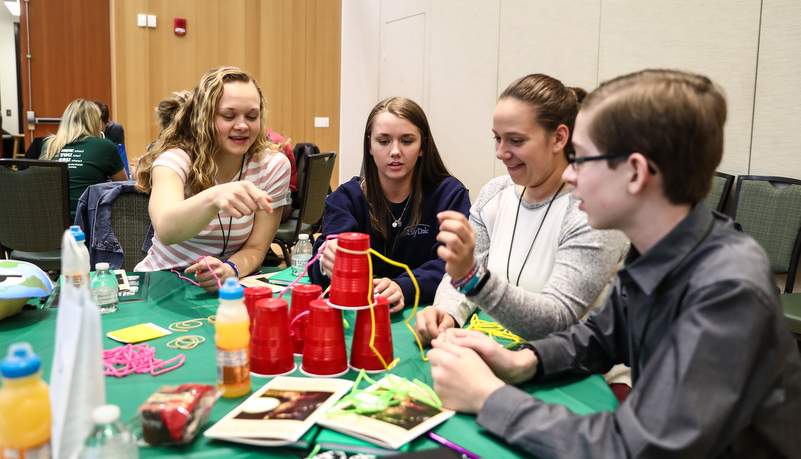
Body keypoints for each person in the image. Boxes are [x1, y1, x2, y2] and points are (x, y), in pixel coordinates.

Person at [427, 69, 801, 457]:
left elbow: (634, 448)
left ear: (636, 173)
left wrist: (490, 398)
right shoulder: (656, 250)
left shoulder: (727, 289)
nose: (570, 171)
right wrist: (523, 362)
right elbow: (599, 337)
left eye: (583, 158)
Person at [415, 74, 628, 345]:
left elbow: (555, 321)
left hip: (583, 374)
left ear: (559, 138)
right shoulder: (495, 193)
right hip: (507, 351)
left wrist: (472, 278)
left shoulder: (594, 211)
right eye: (497, 138)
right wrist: (446, 311)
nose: (501, 153)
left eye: (516, 140)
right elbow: (462, 272)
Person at [133, 66, 290, 292]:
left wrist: (230, 269)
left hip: (228, 284)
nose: (242, 125)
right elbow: (167, 230)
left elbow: (256, 248)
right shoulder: (174, 160)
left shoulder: (273, 166)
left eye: (252, 116)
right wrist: (215, 196)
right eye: (228, 116)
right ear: (203, 116)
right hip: (163, 282)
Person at [307, 97, 471, 311]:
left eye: (406, 141)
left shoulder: (449, 195)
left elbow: (454, 265)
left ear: (422, 146)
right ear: (370, 147)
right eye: (384, 141)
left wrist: (405, 286)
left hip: (428, 312)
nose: (395, 151)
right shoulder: (345, 198)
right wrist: (326, 263)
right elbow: (318, 264)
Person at [40, 98, 128, 218]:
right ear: (95, 121)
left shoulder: (49, 145)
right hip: (88, 224)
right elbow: (124, 187)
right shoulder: (104, 146)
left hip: (51, 222)